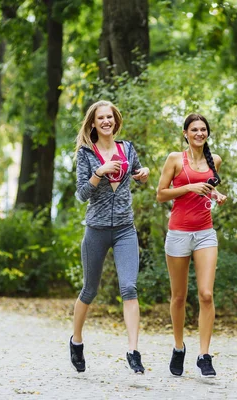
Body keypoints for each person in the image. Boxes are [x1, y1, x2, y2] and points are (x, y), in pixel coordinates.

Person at [70, 100, 150, 374]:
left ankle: (133, 351)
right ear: (93, 123)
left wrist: (143, 175)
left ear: (116, 121)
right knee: (89, 290)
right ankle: (76, 341)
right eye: (100, 118)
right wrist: (98, 174)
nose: (106, 121)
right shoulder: (86, 154)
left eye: (110, 117)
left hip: (125, 229)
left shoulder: (126, 148)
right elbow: (81, 194)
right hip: (97, 230)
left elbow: (139, 174)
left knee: (129, 287)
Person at [156, 113, 228, 378]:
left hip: (205, 233)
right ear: (185, 133)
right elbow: (160, 194)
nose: (199, 133)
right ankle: (178, 348)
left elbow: (208, 188)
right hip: (178, 234)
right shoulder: (175, 159)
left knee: (206, 294)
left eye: (203, 129)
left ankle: (204, 355)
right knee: (178, 297)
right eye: (194, 129)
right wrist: (189, 188)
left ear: (207, 133)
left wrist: (215, 194)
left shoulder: (215, 160)